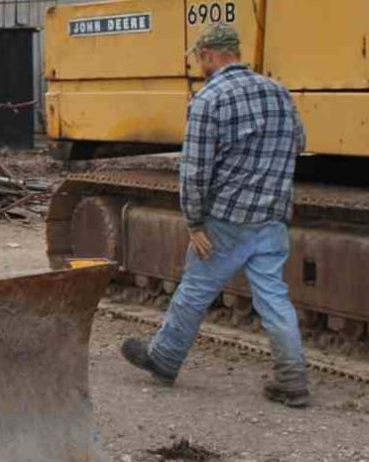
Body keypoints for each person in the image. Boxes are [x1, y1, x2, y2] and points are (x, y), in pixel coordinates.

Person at [119, 21, 311, 407]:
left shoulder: (208, 99)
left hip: (226, 221)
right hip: (272, 217)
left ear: (208, 55)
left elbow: (195, 169)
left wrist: (194, 222)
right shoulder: (278, 92)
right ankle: (292, 379)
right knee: (274, 297)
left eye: (199, 59)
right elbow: (300, 143)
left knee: (194, 292)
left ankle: (165, 359)